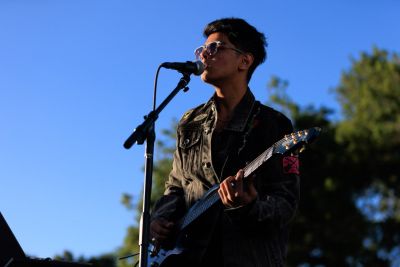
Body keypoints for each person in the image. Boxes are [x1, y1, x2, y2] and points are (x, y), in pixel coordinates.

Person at [150, 18, 300, 267]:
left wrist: (247, 206)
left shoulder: (275, 124)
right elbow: (176, 185)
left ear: (245, 60)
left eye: (216, 47)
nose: (205, 55)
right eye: (202, 49)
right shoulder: (191, 121)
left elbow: (285, 204)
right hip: (189, 257)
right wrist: (160, 220)